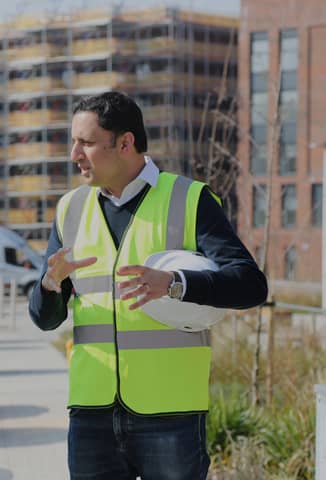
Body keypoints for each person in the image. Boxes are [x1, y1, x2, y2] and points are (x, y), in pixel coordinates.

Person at [28, 91, 268, 480]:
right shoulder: (70, 209)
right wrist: (50, 285)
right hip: (91, 415)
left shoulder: (190, 200)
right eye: (73, 142)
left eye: (86, 143)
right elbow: (43, 320)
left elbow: (251, 285)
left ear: (125, 143)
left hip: (170, 413)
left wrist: (176, 284)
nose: (74, 154)